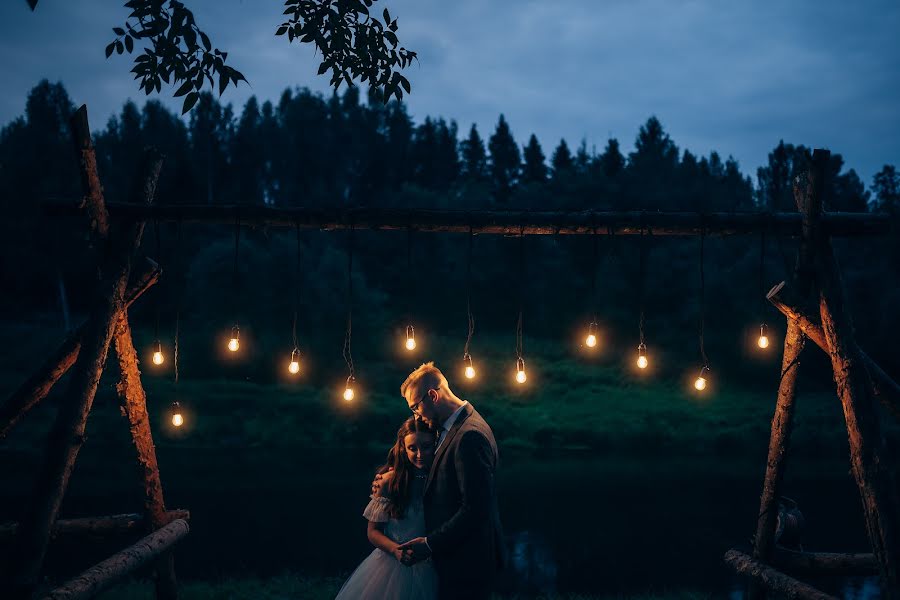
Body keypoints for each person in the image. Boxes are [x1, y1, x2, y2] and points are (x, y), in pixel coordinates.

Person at [375, 362, 506, 600]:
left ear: (433, 396)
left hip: (467, 563)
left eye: (415, 407)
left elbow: (475, 509)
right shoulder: (451, 429)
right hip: (455, 559)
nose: (416, 415)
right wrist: (393, 477)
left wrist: (429, 544)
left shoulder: (469, 436)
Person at [335, 416, 440, 599]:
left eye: (426, 446)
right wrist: (395, 550)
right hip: (392, 565)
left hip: (433, 564)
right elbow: (373, 532)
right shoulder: (389, 482)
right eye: (412, 448)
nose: (420, 454)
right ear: (403, 449)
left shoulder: (441, 479)